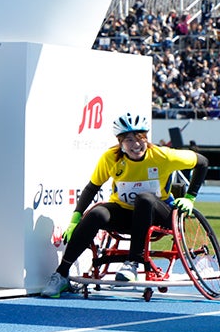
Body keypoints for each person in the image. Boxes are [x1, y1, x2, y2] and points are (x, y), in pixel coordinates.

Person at [41, 113, 208, 296]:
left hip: (159, 215)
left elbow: (202, 163)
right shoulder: (111, 158)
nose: (136, 144)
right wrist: (76, 219)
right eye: (129, 140)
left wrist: (190, 197)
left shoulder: (162, 156)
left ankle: (133, 262)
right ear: (120, 142)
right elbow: (92, 188)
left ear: (146, 138)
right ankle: (61, 274)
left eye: (140, 138)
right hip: (125, 215)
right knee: (97, 213)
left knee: (144, 199)